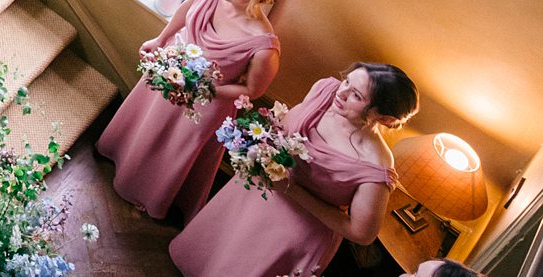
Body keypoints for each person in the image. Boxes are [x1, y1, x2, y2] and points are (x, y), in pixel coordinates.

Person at [170, 61, 417, 277]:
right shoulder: (325, 91)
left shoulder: (375, 165)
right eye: (347, 82)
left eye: (357, 96)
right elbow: (284, 128)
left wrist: (291, 189)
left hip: (294, 231)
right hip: (256, 193)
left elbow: (361, 234)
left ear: (385, 118)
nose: (341, 93)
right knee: (211, 253)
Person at [96, 0, 289, 221]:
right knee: (146, 123)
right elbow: (186, 11)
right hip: (171, 70)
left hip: (205, 103)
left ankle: (149, 196)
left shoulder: (264, 48)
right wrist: (161, 39)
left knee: (170, 148)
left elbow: (252, 92)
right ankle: (120, 157)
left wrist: (200, 88)